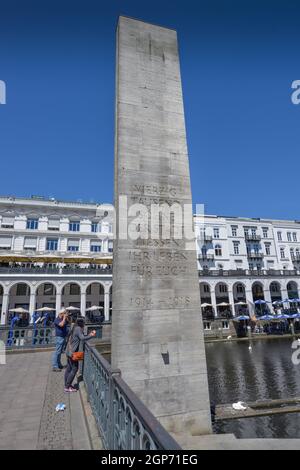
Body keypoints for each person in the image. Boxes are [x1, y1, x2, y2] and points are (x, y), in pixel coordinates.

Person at [64, 317, 96, 393]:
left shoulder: (74, 327)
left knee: (68, 369)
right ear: (82, 323)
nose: (85, 324)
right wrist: (91, 335)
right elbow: (82, 338)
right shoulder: (78, 329)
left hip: (68, 351)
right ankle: (67, 387)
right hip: (73, 353)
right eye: (84, 323)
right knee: (74, 369)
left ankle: (67, 384)